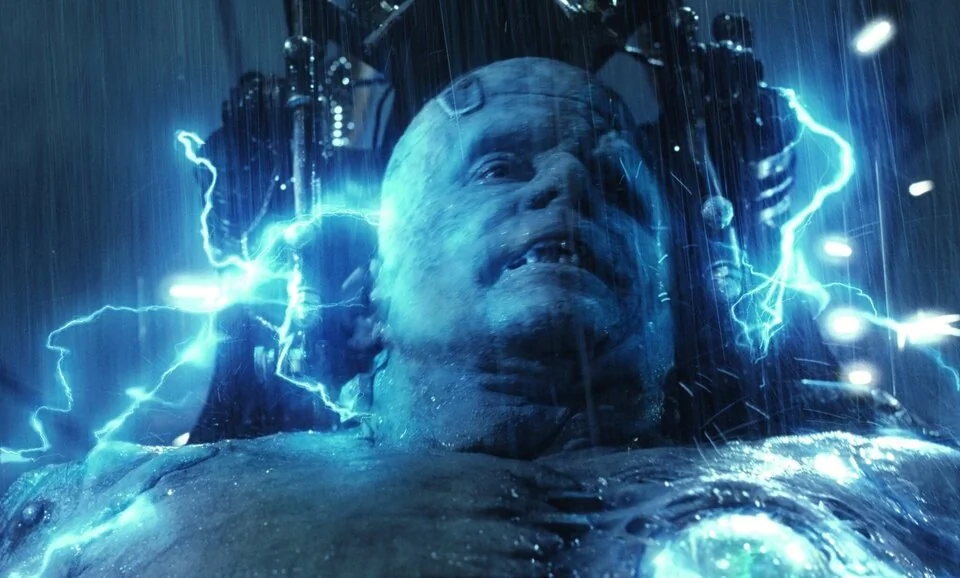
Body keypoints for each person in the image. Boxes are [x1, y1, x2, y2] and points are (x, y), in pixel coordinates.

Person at [2, 58, 959, 578]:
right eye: (501, 165)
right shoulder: (116, 495)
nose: (568, 181)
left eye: (617, 187)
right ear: (368, 299)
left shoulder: (905, 479)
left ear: (673, 313)